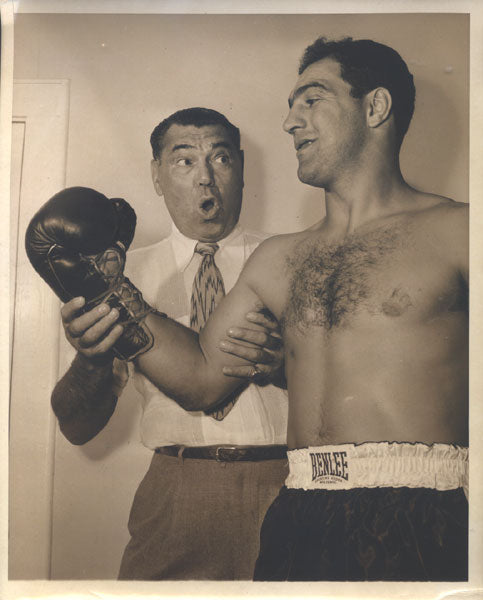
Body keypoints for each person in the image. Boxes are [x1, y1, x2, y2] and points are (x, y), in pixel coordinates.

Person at [46, 36, 468, 581]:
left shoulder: (460, 231)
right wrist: (106, 295)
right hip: (301, 510)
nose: (291, 121)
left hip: (422, 509)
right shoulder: (279, 259)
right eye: (291, 105)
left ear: (375, 107)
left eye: (311, 99)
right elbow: (200, 378)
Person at [49, 108, 289, 580]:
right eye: (184, 161)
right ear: (156, 175)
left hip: (288, 484)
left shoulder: (291, 257)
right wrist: (93, 356)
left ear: (240, 169)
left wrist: (289, 363)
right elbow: (76, 426)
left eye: (220, 158)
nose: (205, 179)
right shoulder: (116, 276)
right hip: (177, 492)